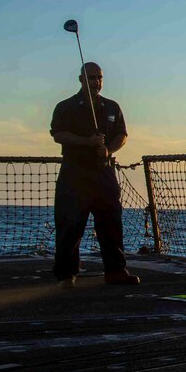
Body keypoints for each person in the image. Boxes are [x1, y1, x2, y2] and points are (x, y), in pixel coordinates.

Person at [50, 62, 140, 288]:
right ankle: (66, 273)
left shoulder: (111, 107)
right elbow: (58, 134)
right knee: (70, 224)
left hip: (104, 172)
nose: (96, 82)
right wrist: (86, 142)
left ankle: (116, 270)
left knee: (111, 222)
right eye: (91, 78)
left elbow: (122, 134)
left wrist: (108, 149)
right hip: (75, 173)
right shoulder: (66, 107)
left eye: (99, 78)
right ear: (81, 80)